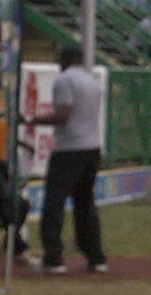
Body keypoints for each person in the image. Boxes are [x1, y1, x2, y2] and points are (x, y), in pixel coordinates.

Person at [28, 46, 107, 275]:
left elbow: (63, 114)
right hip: (92, 146)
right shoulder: (92, 81)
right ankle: (96, 256)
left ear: (65, 60)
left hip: (69, 147)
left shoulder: (64, 81)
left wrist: (33, 119)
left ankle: (54, 258)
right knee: (85, 203)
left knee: (54, 202)